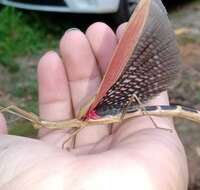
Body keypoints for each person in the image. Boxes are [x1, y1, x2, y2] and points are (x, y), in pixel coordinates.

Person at [0, 22, 188, 190]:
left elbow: (67, 134)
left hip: (125, 110)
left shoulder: (84, 118)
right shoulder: (79, 123)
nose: (39, 123)